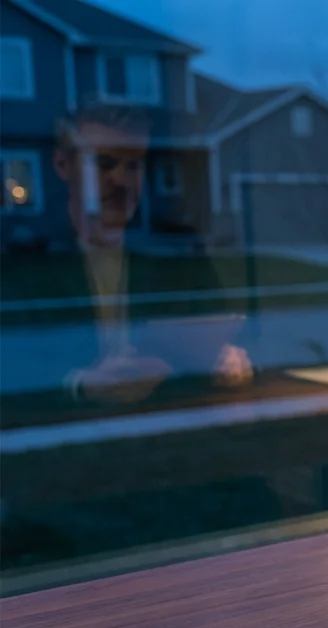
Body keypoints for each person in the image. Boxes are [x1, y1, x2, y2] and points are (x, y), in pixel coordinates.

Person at [41, 103, 251, 405]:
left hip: (165, 429)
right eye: (104, 163)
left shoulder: (179, 252)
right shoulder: (25, 256)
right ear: (62, 164)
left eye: (133, 165)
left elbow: (233, 340)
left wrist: (232, 363)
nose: (121, 180)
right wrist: (77, 385)